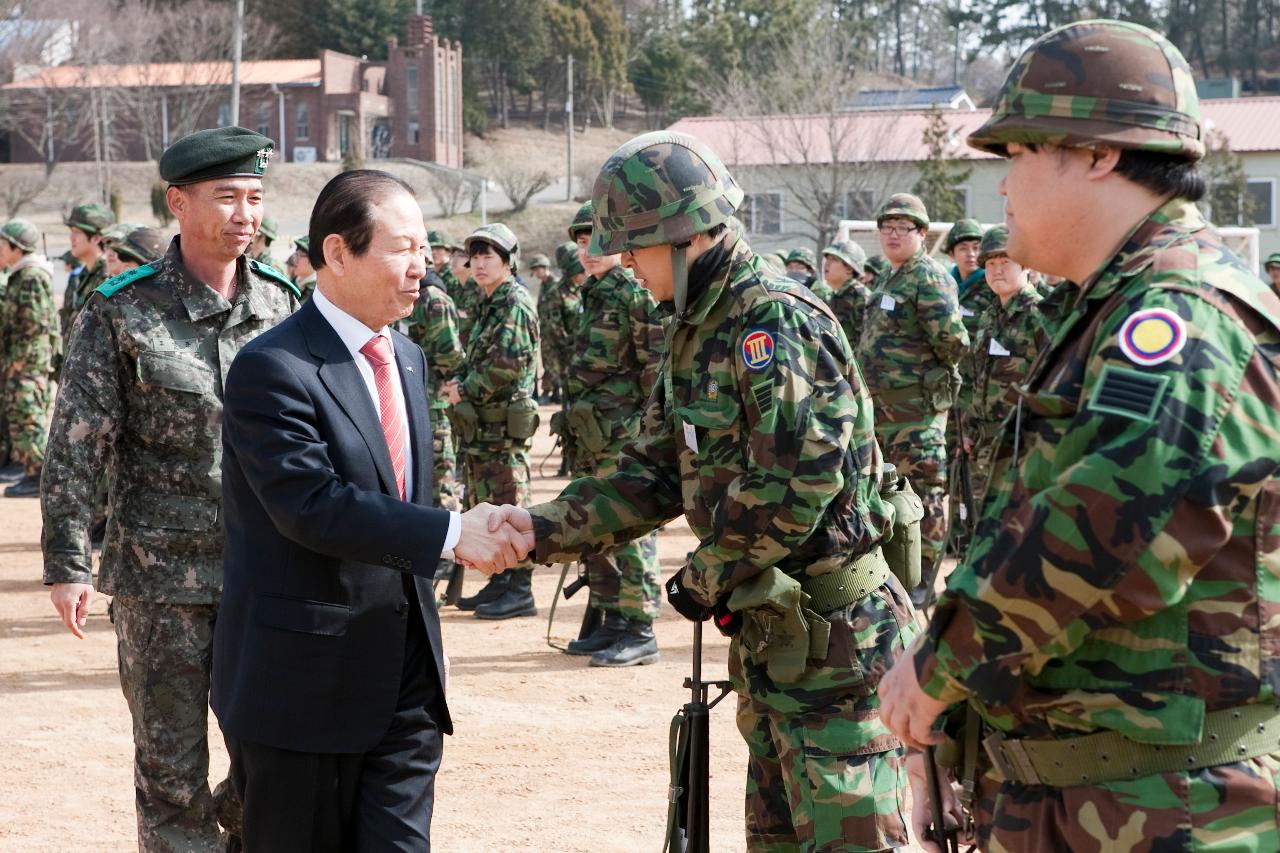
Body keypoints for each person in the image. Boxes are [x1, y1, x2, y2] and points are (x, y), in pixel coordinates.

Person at [878, 19, 1280, 853]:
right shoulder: (1114, 305)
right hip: (1096, 795)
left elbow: (1110, 533)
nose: (1004, 188)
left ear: (1101, 154)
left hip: (1162, 810)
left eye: (1020, 152)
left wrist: (938, 664)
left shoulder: (1177, 313)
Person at [498, 131, 916, 851]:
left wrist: (705, 573)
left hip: (839, 648)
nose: (627, 266)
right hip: (776, 642)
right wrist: (539, 528)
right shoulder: (695, 329)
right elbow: (652, 471)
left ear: (683, 236)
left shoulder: (773, 320)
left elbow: (796, 482)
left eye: (635, 247)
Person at [212, 169, 529, 851]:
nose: (423, 267)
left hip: (405, 680)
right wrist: (452, 534)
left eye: (424, 249)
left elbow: (402, 496)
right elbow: (311, 505)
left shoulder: (407, 357)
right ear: (336, 253)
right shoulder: (273, 367)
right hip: (304, 691)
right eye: (402, 248)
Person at [40, 126, 299, 851]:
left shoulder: (284, 304)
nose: (244, 214)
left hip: (267, 575)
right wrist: (68, 562)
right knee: (171, 773)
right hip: (162, 584)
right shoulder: (121, 308)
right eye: (227, 197)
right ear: (178, 202)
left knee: (275, 758)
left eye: (254, 198)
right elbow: (77, 445)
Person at [558, 200, 666, 666]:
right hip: (593, 434)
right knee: (601, 525)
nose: (587, 250)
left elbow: (654, 369)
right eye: (581, 242)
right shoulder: (593, 292)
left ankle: (639, 626)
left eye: (596, 240)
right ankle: (613, 619)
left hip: (623, 433)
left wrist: (644, 434)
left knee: (632, 526)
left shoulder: (632, 293)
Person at [858, 193, 969, 597]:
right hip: (883, 412)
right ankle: (899, 572)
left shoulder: (929, 276)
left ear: (922, 234)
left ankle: (922, 577)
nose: (892, 235)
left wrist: (927, 379)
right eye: (886, 227)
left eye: (902, 228)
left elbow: (953, 343)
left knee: (924, 494)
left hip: (917, 412)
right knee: (891, 494)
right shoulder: (890, 277)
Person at [442, 224, 541, 619]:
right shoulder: (489, 302)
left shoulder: (513, 302)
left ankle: (519, 588)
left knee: (509, 501)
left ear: (508, 263)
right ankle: (501, 580)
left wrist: (464, 389)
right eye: (476, 257)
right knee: (490, 500)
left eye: (489, 258)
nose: (479, 265)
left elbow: (509, 363)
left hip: (502, 425)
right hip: (484, 428)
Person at [957, 225, 1048, 510]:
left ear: (1026, 265)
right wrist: (970, 428)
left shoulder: (1040, 315)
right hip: (985, 444)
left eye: (1005, 262)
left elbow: (1054, 382)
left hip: (1023, 444)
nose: (997, 270)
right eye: (991, 264)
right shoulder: (989, 317)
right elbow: (976, 378)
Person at [400, 236, 466, 579]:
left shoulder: (433, 299)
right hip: (412, 403)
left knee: (441, 482)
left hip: (433, 405)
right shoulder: (404, 296)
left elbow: (451, 354)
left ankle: (450, 560)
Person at [0, 219, 60, 498]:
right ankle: (31, 471)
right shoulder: (20, 273)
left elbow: (34, 324)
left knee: (29, 417)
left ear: (17, 247)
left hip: (27, 363)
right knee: (22, 416)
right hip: (22, 361)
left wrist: (17, 360)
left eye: (2, 245)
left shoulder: (31, 276)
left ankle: (38, 475)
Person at [58, 202, 115, 336]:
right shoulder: (80, 277)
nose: (71, 238)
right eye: (71, 232)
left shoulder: (108, 279)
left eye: (76, 232)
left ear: (96, 238)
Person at [944, 218, 993, 339]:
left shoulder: (993, 285)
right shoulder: (943, 286)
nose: (971, 254)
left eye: (976, 248)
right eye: (963, 248)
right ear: (951, 253)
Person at [823, 239, 871, 348]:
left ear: (849, 268)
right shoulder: (835, 294)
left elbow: (867, 342)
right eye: (827, 259)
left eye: (833, 259)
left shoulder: (860, 296)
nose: (827, 263)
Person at [290, 235, 317, 300]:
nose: (294, 259)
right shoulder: (295, 281)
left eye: (300, 256)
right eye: (296, 254)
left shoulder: (316, 293)